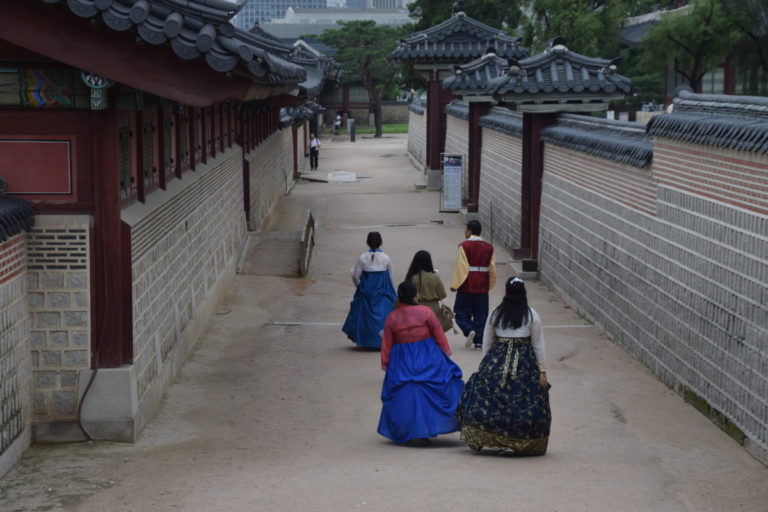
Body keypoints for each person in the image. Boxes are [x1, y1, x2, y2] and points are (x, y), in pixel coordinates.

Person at [455, 277, 551, 455]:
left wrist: (485, 364)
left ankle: (484, 435)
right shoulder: (532, 315)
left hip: (497, 359)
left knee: (488, 396)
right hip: (524, 363)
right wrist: (542, 371)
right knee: (522, 399)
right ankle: (518, 441)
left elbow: (488, 340)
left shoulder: (496, 313)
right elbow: (538, 344)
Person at [378, 281, 464, 444]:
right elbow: (439, 334)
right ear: (415, 296)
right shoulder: (426, 312)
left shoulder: (393, 317)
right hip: (428, 355)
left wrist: (387, 363)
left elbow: (387, 344)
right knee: (439, 388)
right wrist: (445, 356)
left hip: (402, 359)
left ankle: (411, 429)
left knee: (406, 394)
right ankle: (433, 425)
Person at [342, 232, 397, 349]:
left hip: (366, 291)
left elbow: (355, 274)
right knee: (385, 314)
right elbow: (391, 277)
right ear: (380, 242)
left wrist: (359, 286)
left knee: (362, 315)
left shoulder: (362, 257)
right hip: (382, 291)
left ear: (367, 242)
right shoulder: (386, 258)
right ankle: (382, 341)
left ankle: (365, 341)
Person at [450, 219, 496, 349]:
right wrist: (489, 284)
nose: (465, 232)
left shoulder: (464, 246)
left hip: (467, 284)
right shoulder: (489, 247)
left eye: (466, 230)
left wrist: (455, 284)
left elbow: (461, 267)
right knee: (481, 313)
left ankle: (469, 329)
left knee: (460, 312)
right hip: (482, 285)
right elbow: (492, 268)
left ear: (470, 231)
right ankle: (479, 341)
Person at [405, 250, 448, 324]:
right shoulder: (434, 277)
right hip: (433, 310)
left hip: (415, 310)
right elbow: (443, 295)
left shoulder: (410, 278)